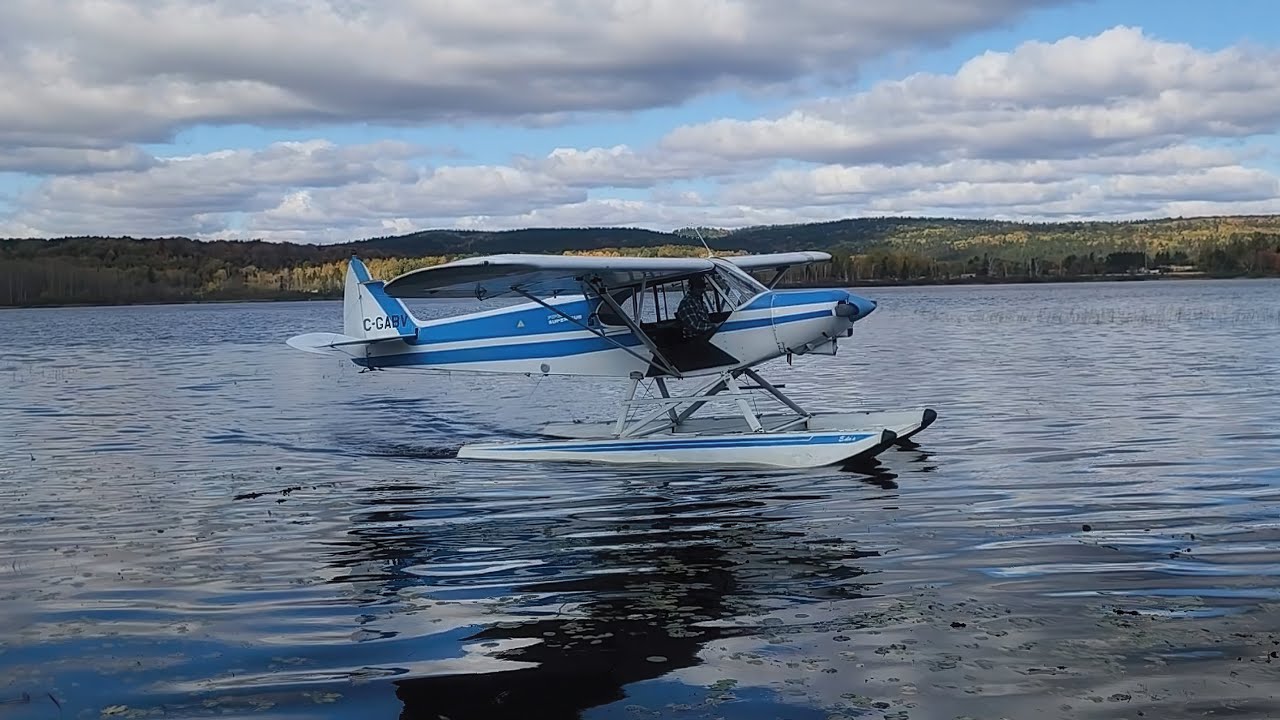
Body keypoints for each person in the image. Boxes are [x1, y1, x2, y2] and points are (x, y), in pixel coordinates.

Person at [676, 275, 717, 340]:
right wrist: (715, 326)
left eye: (703, 286)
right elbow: (695, 326)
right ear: (691, 286)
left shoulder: (700, 301)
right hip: (694, 340)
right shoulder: (687, 303)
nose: (703, 289)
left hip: (704, 337)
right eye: (699, 286)